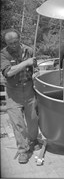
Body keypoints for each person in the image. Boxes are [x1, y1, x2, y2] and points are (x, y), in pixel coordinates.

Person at [0, 29, 40, 164]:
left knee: (33, 119)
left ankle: (33, 140)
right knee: (18, 123)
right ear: (6, 43)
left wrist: (36, 73)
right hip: (13, 92)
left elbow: (35, 67)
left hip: (29, 89)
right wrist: (25, 63)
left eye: (15, 42)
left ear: (19, 39)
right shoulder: (3, 54)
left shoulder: (29, 50)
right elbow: (9, 72)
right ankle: (23, 150)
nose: (13, 45)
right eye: (10, 43)